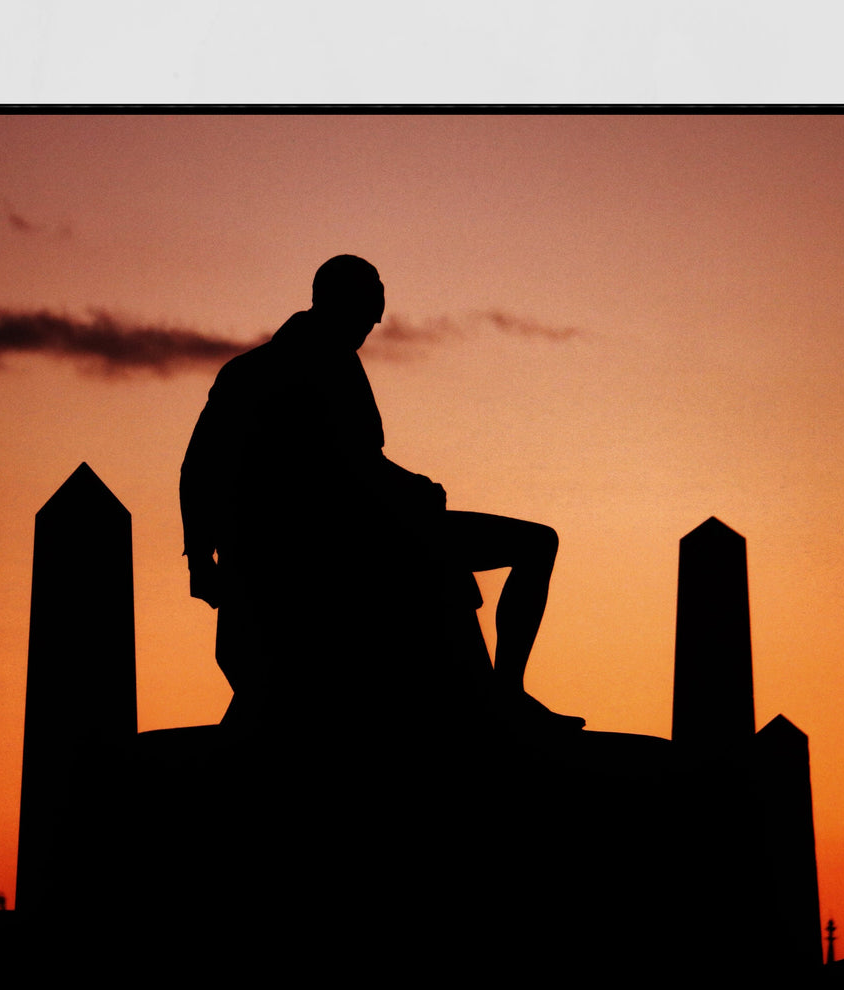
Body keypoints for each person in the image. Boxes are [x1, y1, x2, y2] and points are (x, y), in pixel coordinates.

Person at [181, 254, 582, 732]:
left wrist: (201, 561)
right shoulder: (322, 366)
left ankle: (492, 693)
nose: (371, 327)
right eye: (367, 315)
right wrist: (416, 491)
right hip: (352, 542)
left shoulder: (251, 369)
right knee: (536, 544)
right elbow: (348, 470)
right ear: (339, 304)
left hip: (346, 535)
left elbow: (198, 470)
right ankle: (505, 694)